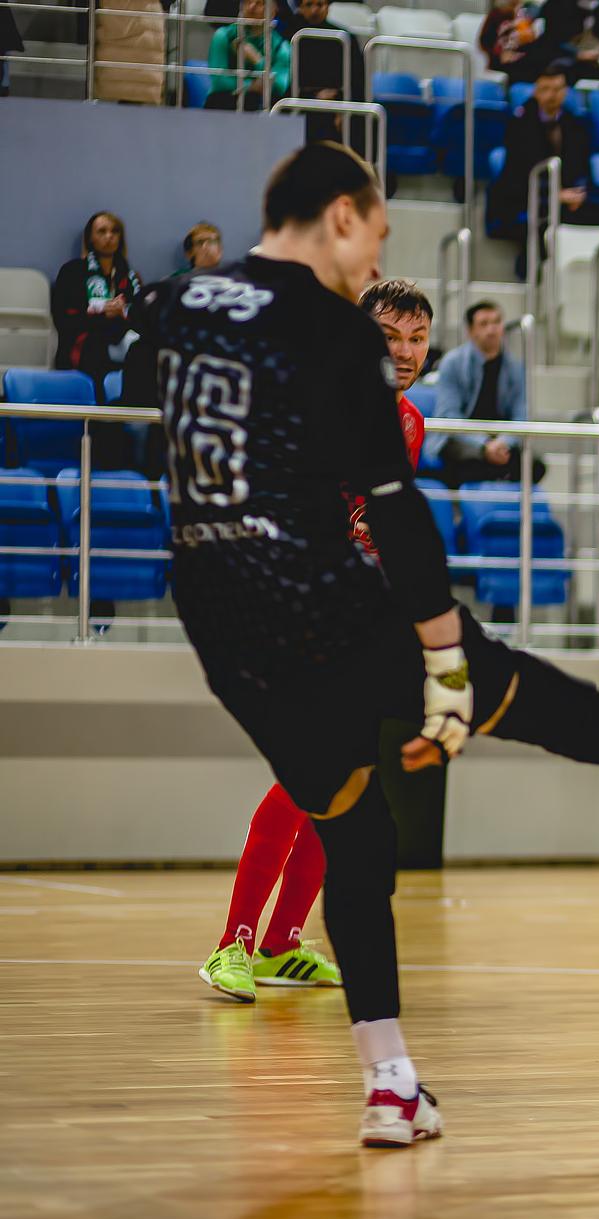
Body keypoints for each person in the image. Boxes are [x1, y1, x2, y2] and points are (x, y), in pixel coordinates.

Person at [132, 143, 599, 1146]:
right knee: (527, 696)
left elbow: (173, 418)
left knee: (353, 829)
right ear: (341, 217)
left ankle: (390, 1082)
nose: (374, 262)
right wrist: (447, 660)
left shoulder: (179, 304)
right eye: (376, 236)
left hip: (220, 618)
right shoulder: (338, 338)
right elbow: (400, 517)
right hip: (320, 602)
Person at [197, 278, 435, 1005]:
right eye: (389, 336)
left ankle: (281, 944)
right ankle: (233, 944)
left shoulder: (410, 422)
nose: (404, 352)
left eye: (417, 339)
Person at [486, 62, 599, 277]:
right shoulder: (519, 124)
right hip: (524, 197)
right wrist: (555, 195)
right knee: (541, 221)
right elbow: (518, 174)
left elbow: (582, 168)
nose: (551, 95)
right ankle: (533, 277)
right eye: (545, 89)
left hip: (564, 199)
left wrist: (577, 193)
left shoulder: (575, 126)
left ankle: (579, 276)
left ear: (565, 92)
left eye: (557, 89)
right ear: (536, 91)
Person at [435, 301, 544, 487]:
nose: (492, 329)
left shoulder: (515, 367)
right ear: (470, 331)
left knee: (536, 466)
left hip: (500, 443)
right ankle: (496, 475)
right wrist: (484, 445)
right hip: (465, 441)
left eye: (496, 322)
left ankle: (496, 474)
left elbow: (521, 416)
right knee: (463, 462)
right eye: (484, 324)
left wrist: (503, 442)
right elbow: (450, 417)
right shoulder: (452, 363)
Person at [52, 211, 142, 397]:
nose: (109, 236)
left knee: (144, 348)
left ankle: (137, 410)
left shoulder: (130, 276)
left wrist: (123, 313)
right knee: (95, 347)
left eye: (114, 231)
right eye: (102, 231)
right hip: (87, 341)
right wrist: (102, 313)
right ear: (90, 238)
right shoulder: (72, 271)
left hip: (122, 337)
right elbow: (63, 317)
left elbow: (143, 315)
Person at [286, 0, 365, 147]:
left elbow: (357, 82)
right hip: (299, 102)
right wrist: (313, 97)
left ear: (328, 7)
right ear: (300, 8)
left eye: (320, 5)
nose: (315, 10)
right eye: (309, 5)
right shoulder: (289, 35)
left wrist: (341, 105)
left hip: (336, 104)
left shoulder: (344, 38)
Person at [205, 0, 289, 110]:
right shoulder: (223, 35)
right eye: (247, 1)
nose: (251, 7)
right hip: (222, 103)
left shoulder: (282, 47)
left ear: (273, 11)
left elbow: (279, 87)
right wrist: (251, 86)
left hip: (261, 106)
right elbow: (219, 83)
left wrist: (258, 60)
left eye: (260, 3)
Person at [477, 0, 538, 79]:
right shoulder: (497, 13)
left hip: (526, 67)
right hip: (501, 67)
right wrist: (499, 56)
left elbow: (536, 42)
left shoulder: (532, 11)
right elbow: (484, 41)